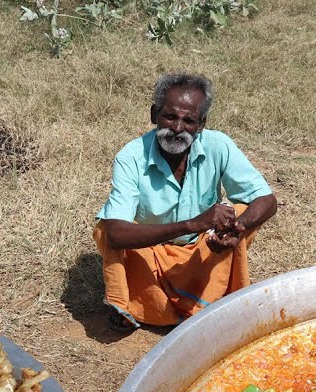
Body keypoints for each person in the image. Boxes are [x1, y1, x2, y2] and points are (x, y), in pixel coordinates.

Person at [94, 72, 278, 332]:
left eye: (188, 120)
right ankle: (136, 307)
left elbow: (267, 200)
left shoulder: (218, 145)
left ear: (201, 124)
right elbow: (114, 233)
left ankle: (206, 300)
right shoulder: (131, 157)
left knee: (243, 212)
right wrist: (191, 224)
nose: (177, 129)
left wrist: (235, 228)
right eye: (170, 117)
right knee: (107, 229)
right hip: (152, 254)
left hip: (204, 250)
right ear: (153, 115)